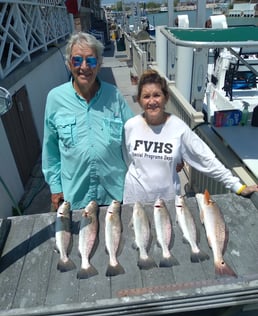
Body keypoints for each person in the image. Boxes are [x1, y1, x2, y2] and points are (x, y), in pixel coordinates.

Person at [122, 69, 258, 204]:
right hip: (135, 200)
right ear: (139, 101)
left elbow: (205, 158)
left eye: (156, 95)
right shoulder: (130, 126)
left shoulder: (178, 128)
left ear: (166, 98)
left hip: (166, 202)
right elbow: (128, 159)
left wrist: (237, 186)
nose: (152, 101)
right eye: (146, 96)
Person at [42, 32, 134, 211]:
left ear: (99, 65)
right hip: (75, 200)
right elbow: (50, 149)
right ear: (69, 64)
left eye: (91, 61)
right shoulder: (55, 99)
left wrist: (167, 158)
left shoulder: (114, 95)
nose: (84, 67)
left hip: (115, 197)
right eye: (77, 60)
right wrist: (55, 187)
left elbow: (136, 135)